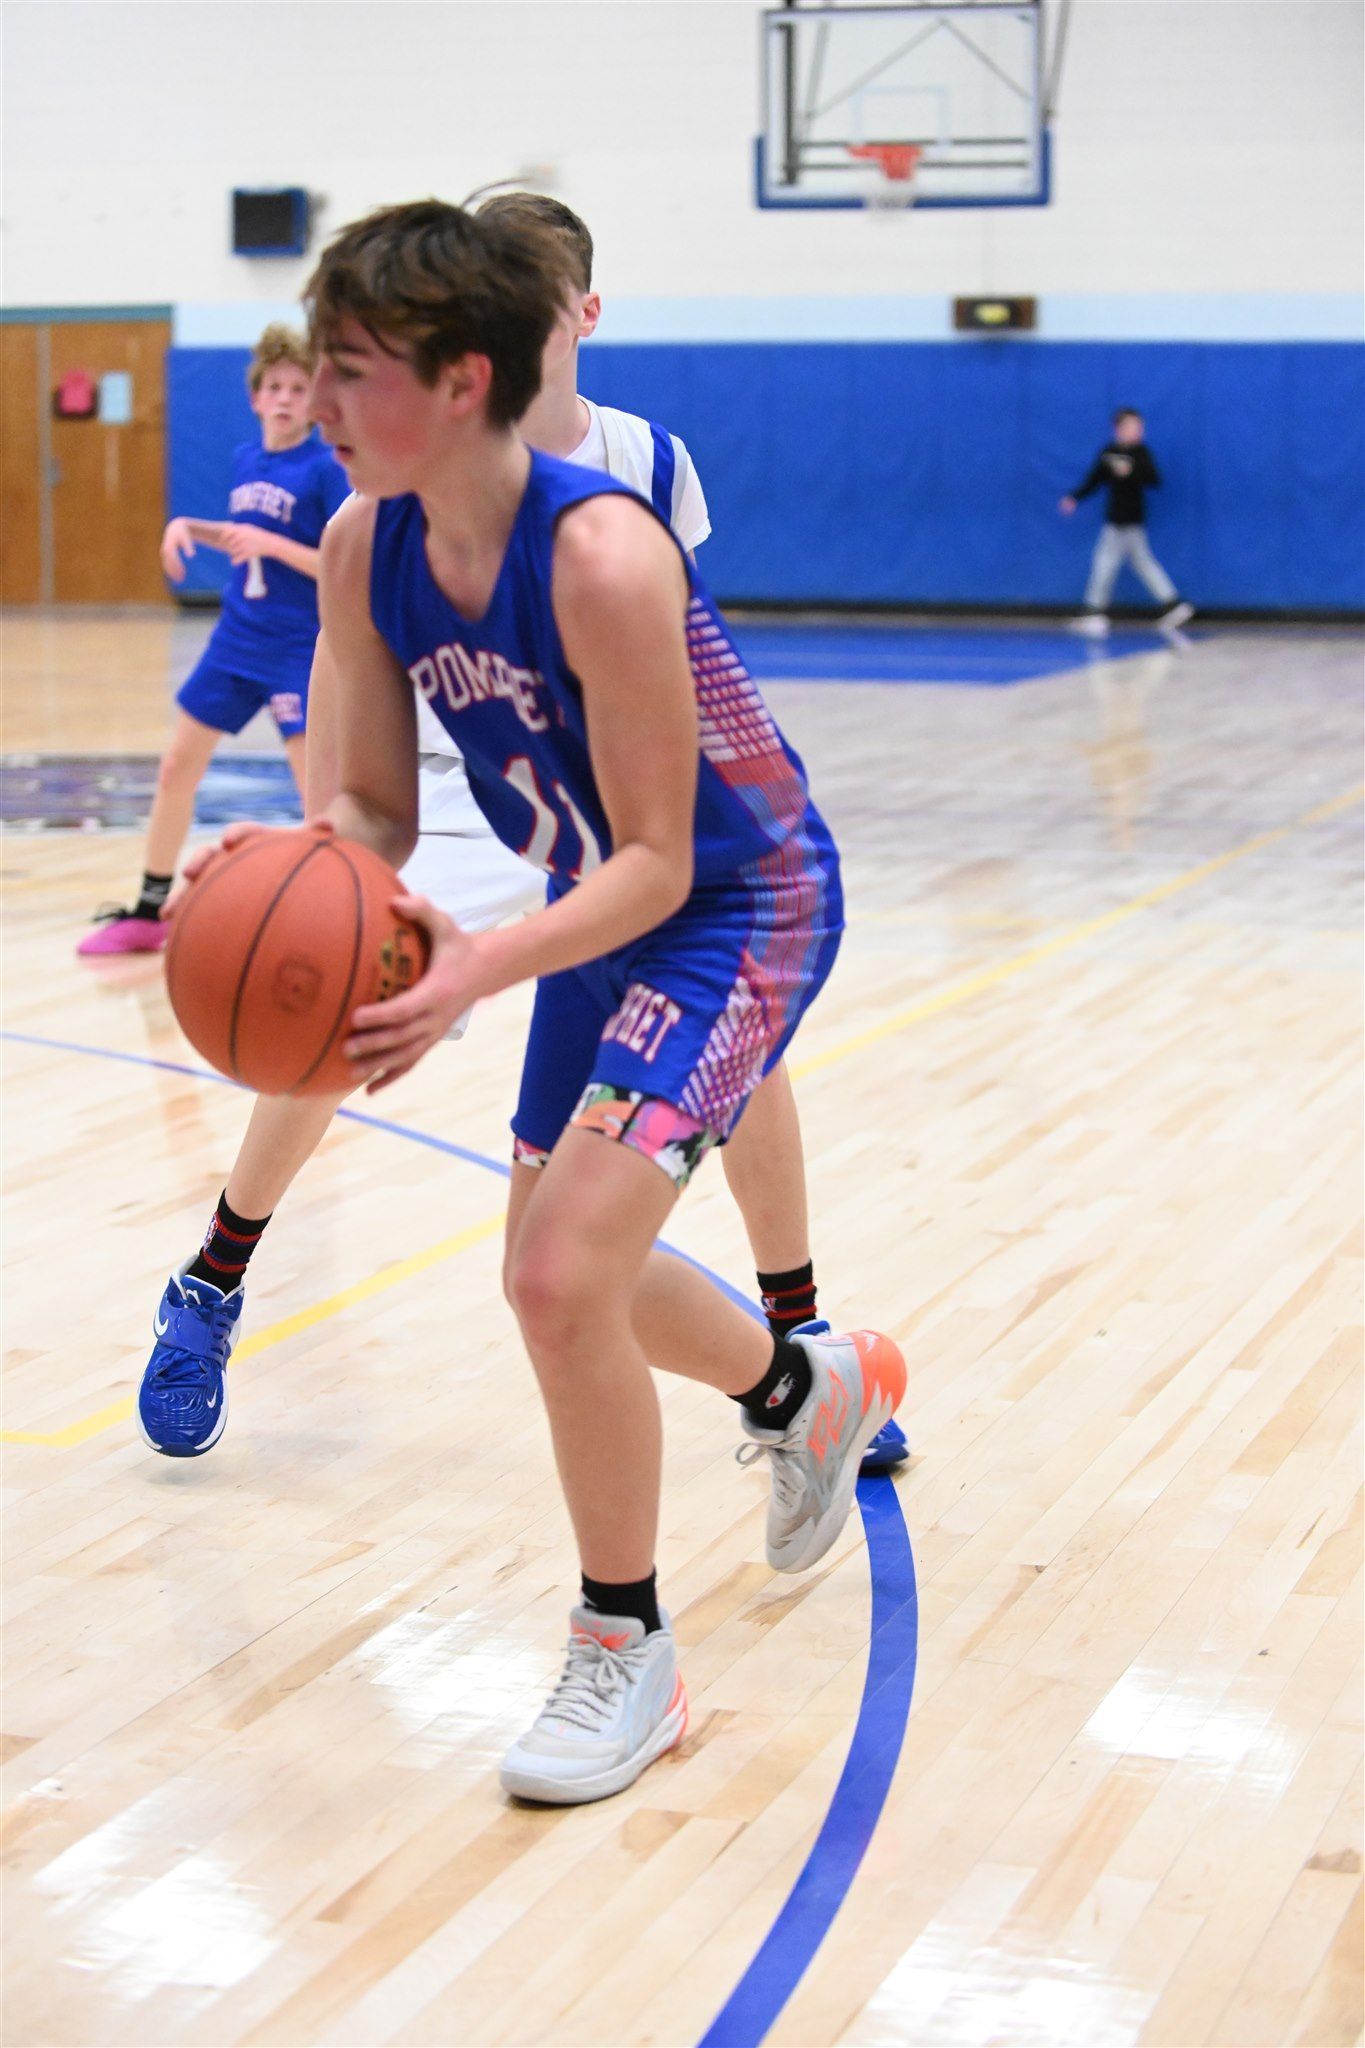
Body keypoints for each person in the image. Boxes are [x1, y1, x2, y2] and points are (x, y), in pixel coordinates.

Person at [168, 197, 907, 1804]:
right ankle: (804, 1386)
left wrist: (465, 971)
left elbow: (657, 859)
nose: (322, 399)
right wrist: (297, 867)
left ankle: (624, 1653)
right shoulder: (370, 542)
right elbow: (369, 811)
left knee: (561, 1276)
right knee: (555, 1267)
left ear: (460, 380)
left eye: (353, 372)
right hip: (602, 903)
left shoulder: (600, 552)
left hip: (734, 907)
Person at [77, 325, 351, 955]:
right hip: (236, 640)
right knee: (177, 767)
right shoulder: (245, 460)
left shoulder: (324, 468)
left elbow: (342, 561)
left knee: (317, 796)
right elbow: (241, 533)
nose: (284, 398)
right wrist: (187, 526)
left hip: (298, 648)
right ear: (256, 398)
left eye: (297, 388)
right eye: (274, 387)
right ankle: (149, 908)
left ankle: (334, 919)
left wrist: (277, 545)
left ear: (314, 401)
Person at [1060, 407, 1194, 638]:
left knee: (1106, 561)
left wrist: (1132, 471)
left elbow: (1154, 479)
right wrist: (1075, 497)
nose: (1137, 431)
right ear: (1119, 428)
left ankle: (1094, 612)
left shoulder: (1141, 453)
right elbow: (1095, 479)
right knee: (1139, 561)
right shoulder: (1109, 452)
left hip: (1131, 519)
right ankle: (1172, 603)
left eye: (1139, 426)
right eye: (1132, 426)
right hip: (1115, 517)